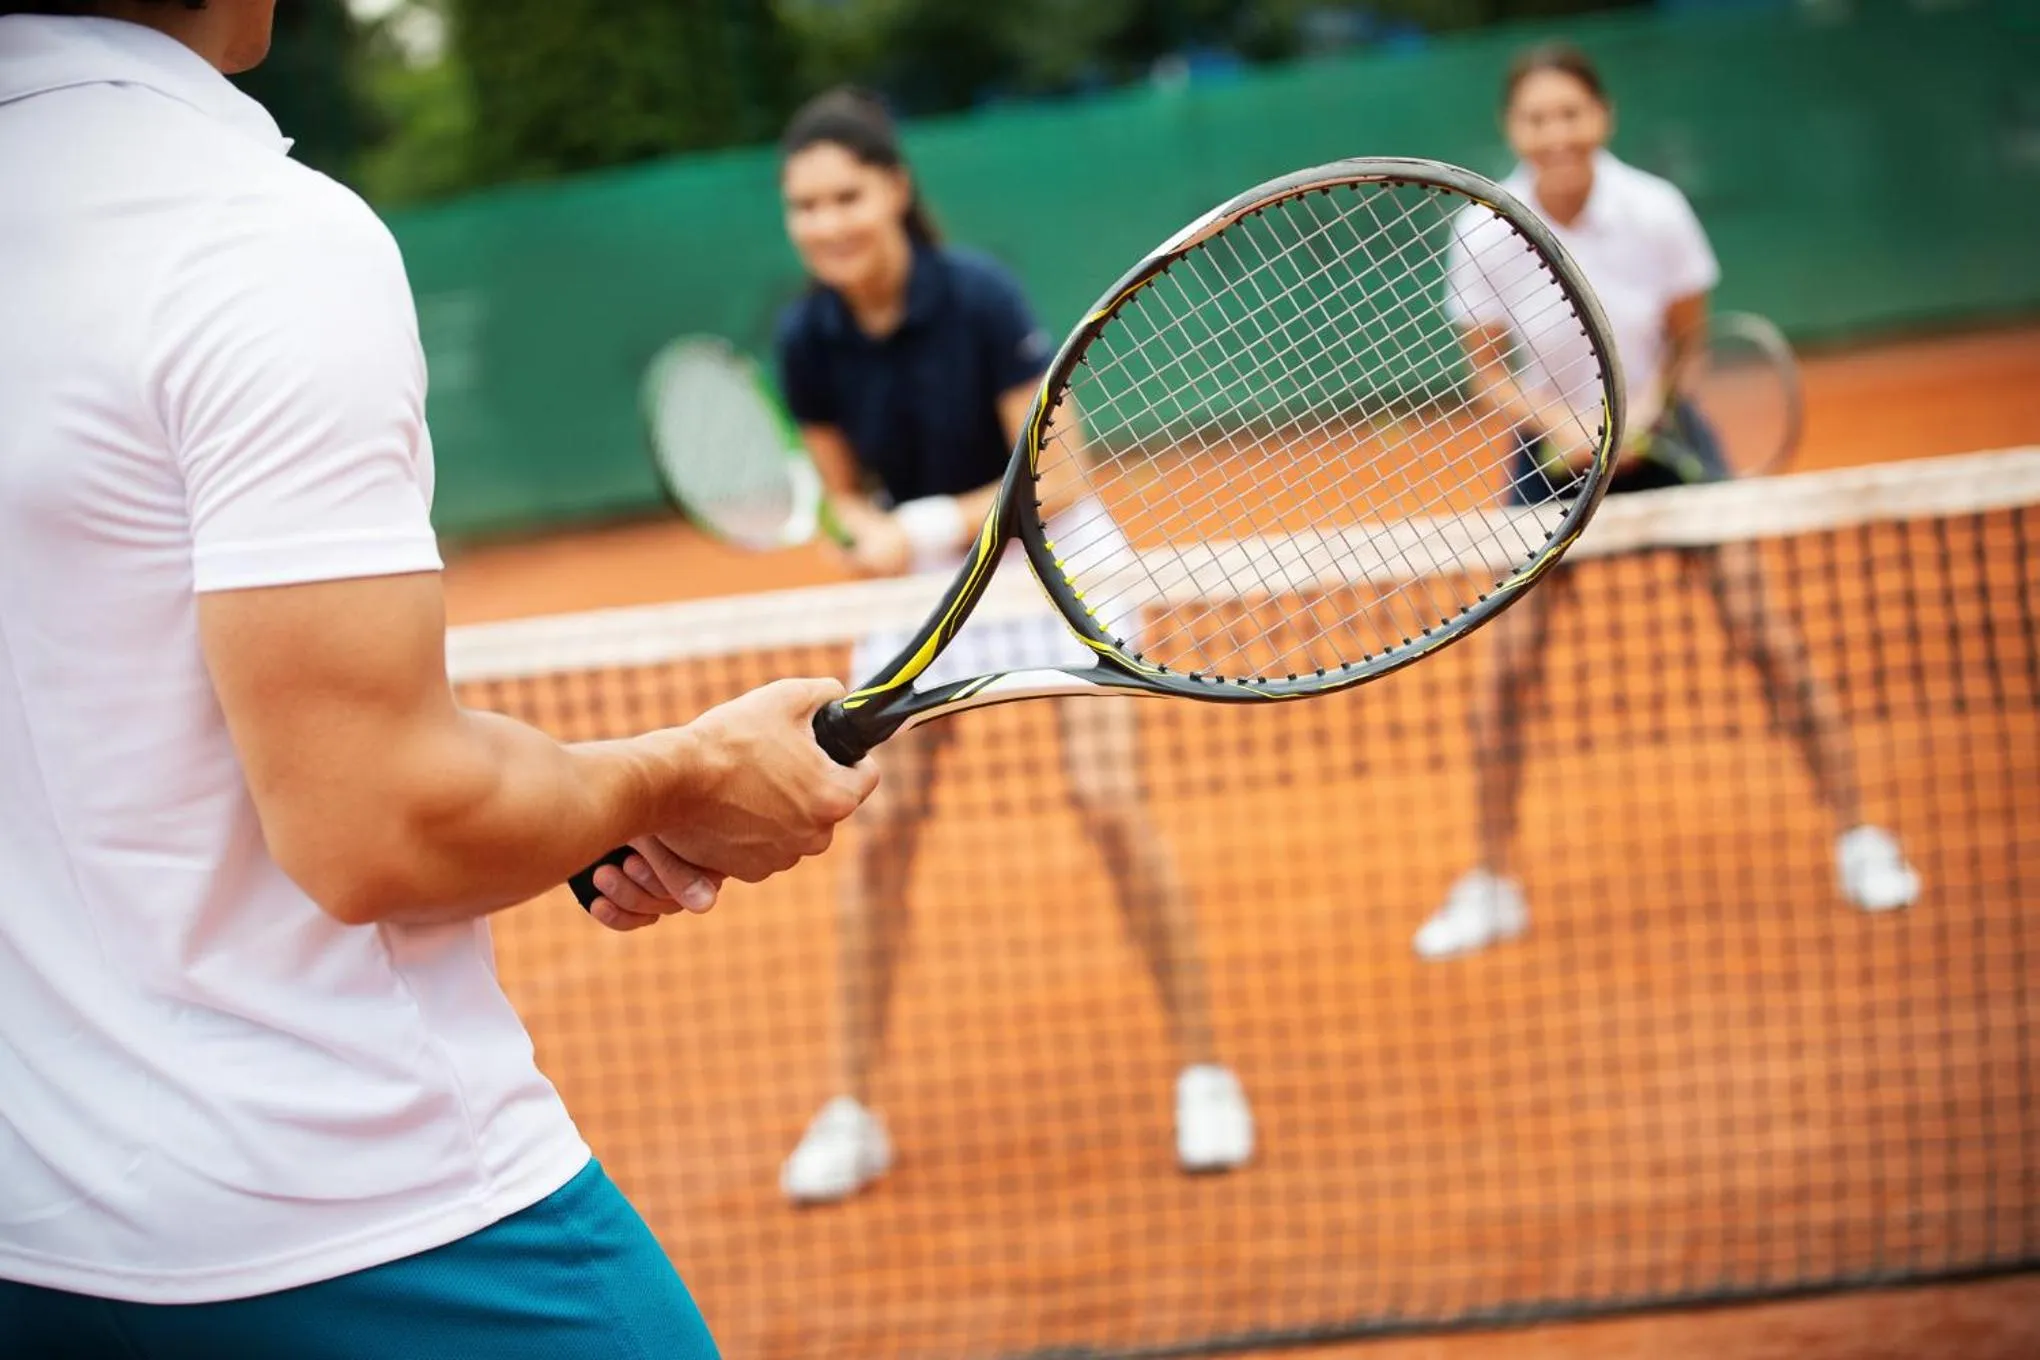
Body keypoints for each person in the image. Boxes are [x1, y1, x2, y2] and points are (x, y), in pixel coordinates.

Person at [0, 5, 876, 1356]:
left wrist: (593, 801)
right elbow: (383, 822)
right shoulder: (245, 237)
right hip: (351, 1234)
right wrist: (689, 772)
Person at [765, 87, 1255, 1204]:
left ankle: (1203, 1069)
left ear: (893, 189)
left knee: (1107, 802)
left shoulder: (979, 295)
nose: (828, 221)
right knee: (877, 840)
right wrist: (856, 538)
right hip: (935, 588)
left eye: (846, 194)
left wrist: (922, 524)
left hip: (1057, 559)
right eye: (804, 205)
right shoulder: (807, 338)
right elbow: (843, 498)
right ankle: (852, 1108)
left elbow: (1063, 472)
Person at [1412, 42, 1920, 960]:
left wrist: (1638, 412)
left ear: (1600, 117)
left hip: (1666, 437)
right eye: (1537, 119)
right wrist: (1559, 422)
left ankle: (1860, 835)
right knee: (1508, 671)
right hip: (1549, 452)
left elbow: (1689, 343)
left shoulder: (1656, 210)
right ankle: (1490, 881)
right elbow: (1486, 373)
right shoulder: (1486, 228)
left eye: (1571, 113)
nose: (1557, 133)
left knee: (1762, 631)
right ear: (1512, 130)